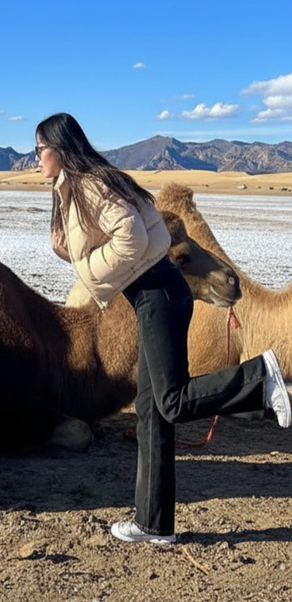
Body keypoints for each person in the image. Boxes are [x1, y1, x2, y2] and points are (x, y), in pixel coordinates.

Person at [34, 112, 290, 544]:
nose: (36, 158)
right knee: (152, 414)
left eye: (40, 150)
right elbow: (82, 244)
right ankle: (155, 524)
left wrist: (94, 272)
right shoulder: (77, 186)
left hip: (159, 292)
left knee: (170, 401)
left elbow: (131, 236)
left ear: (59, 149)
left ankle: (260, 376)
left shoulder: (93, 184)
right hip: (149, 292)